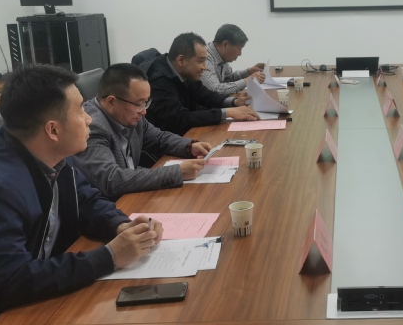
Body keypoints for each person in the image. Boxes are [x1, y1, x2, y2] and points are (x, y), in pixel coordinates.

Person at [0, 65, 163, 325]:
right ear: (53, 129)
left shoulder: (49, 152)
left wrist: (120, 226)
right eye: (80, 111)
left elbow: (85, 199)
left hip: (42, 297)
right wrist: (109, 257)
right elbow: (9, 281)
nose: (89, 118)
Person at [76, 63, 215, 201]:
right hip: (114, 204)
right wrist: (177, 172)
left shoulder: (131, 114)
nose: (144, 111)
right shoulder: (92, 127)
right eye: (139, 103)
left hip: (134, 193)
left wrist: (189, 146)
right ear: (111, 102)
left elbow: (158, 138)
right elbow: (111, 180)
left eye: (146, 102)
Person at [141, 32, 260, 136]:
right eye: (201, 61)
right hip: (165, 142)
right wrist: (228, 112)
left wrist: (234, 102)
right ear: (181, 60)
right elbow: (180, 118)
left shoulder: (184, 71)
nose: (205, 67)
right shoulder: (158, 81)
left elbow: (204, 94)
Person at [201, 24, 266, 96]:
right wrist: (248, 80)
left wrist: (249, 71)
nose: (240, 54)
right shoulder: (205, 57)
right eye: (239, 49)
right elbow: (215, 90)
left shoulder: (221, 56)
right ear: (225, 44)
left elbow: (228, 78)